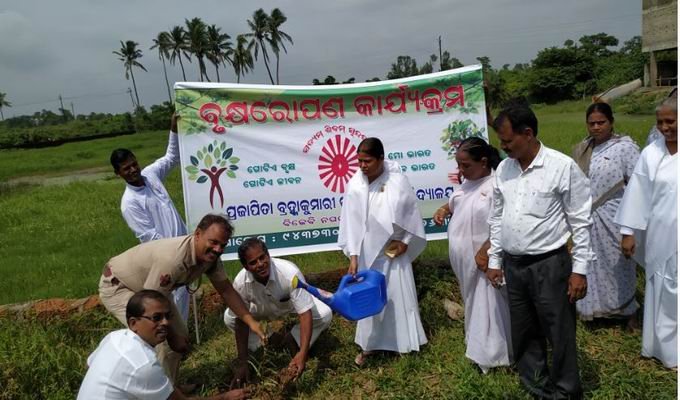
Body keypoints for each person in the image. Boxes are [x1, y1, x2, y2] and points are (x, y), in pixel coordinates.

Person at [486, 106, 592, 399]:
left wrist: (579, 270)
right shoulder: (504, 170)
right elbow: (496, 217)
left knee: (559, 332)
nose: (503, 147)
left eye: (507, 141)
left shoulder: (561, 167)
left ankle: (566, 391)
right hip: (514, 266)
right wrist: (495, 259)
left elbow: (581, 221)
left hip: (550, 265)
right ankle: (536, 388)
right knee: (524, 332)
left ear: (528, 133)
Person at [98, 214, 266, 384]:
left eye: (222, 245)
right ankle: (153, 390)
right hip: (119, 286)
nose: (217, 249)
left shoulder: (210, 258)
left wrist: (251, 322)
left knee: (180, 335)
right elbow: (149, 305)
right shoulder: (173, 260)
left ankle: (171, 387)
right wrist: (171, 337)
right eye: (213, 242)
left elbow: (226, 290)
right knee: (159, 336)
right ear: (198, 234)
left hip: (153, 290)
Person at [338, 137, 428, 366]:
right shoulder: (355, 184)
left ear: (380, 158)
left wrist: (406, 241)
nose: (362, 165)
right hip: (368, 251)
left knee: (397, 295)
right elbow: (351, 221)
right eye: (359, 161)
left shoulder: (397, 180)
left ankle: (402, 344)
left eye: (367, 160)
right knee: (370, 297)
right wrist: (354, 255)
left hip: (393, 249)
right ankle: (370, 346)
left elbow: (410, 214)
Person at [78, 290, 250, 400]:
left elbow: (90, 365)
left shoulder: (114, 338)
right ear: (133, 323)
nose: (165, 323)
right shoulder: (143, 364)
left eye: (167, 316)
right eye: (156, 318)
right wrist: (225, 398)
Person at [433, 137, 512, 373]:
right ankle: (479, 345)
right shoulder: (468, 182)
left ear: (484, 161)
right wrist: (443, 209)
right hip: (464, 260)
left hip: (485, 258)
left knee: (489, 304)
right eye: (459, 165)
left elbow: (504, 221)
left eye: (465, 165)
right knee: (473, 302)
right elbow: (456, 202)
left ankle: (493, 355)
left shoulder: (497, 184)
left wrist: (487, 250)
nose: (461, 170)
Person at [614, 97, 677, 369]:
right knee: (662, 287)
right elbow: (637, 194)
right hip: (661, 233)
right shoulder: (651, 154)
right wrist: (628, 232)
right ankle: (664, 350)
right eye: (660, 122)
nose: (665, 127)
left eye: (671, 121)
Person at [110, 113, 190, 323]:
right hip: (166, 256)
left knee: (184, 297)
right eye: (126, 168)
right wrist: (173, 256)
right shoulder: (129, 202)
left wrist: (173, 128)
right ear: (118, 174)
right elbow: (150, 238)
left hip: (183, 246)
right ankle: (173, 346)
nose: (133, 170)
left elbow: (172, 156)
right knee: (171, 300)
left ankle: (183, 342)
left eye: (134, 164)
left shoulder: (151, 175)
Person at [224, 238, 332, 386]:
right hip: (259, 309)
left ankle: (293, 339)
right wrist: (242, 361)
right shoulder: (240, 282)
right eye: (253, 262)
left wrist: (303, 353)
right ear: (246, 266)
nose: (260, 264)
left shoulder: (289, 273)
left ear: (268, 255)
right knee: (229, 317)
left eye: (262, 258)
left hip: (289, 306)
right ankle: (267, 341)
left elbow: (305, 313)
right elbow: (240, 322)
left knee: (325, 313)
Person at [571, 103, 640, 325]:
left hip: (615, 214)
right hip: (588, 217)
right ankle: (598, 310)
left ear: (611, 122)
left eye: (601, 122)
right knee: (591, 263)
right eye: (592, 123)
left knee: (617, 263)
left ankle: (626, 309)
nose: (596, 127)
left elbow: (637, 185)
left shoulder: (625, 147)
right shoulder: (583, 148)